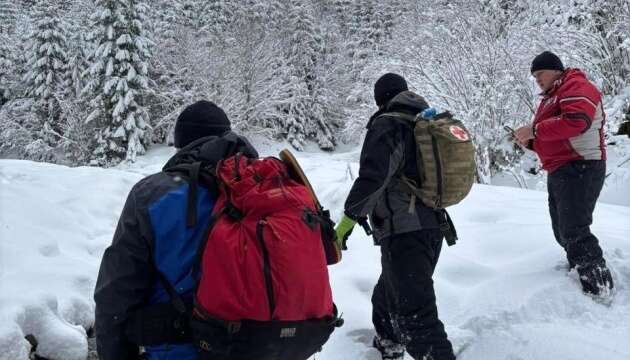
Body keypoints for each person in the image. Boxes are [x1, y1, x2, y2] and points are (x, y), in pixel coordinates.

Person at [94, 100, 258, 360]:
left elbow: (116, 292)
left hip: (181, 350)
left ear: (181, 143)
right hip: (265, 347)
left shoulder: (151, 194)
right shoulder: (268, 187)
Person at [335, 73, 456, 360]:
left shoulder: (389, 123)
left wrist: (347, 222)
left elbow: (373, 178)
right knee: (388, 295)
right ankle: (389, 347)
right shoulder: (423, 121)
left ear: (380, 99)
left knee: (414, 317)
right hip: (432, 227)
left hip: (406, 230)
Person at [514, 51, 614, 297]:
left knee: (574, 229)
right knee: (562, 229)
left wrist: (534, 130)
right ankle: (581, 273)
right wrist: (529, 141)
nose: (537, 79)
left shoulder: (576, 85)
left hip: (581, 166)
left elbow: (576, 122)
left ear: (556, 69)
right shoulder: (551, 96)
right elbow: (554, 135)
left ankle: (599, 290)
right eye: (534, 76)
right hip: (562, 168)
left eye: (540, 73)